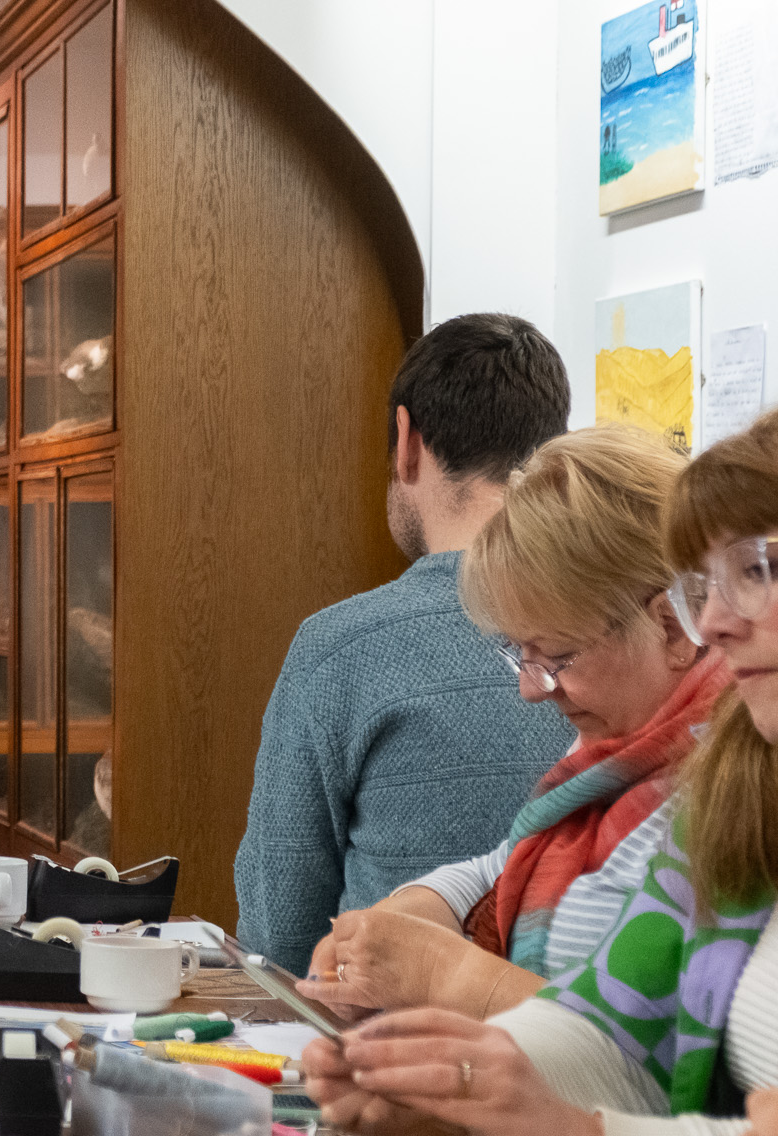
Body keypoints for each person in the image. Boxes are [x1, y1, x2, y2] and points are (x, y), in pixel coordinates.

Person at [303, 409, 778, 1136]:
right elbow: (615, 1040)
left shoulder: (712, 775)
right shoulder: (740, 782)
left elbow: (661, 1095)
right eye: (714, 584)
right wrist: (465, 1090)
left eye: (758, 570)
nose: (722, 621)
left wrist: (466, 1005)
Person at [300, 426, 724, 1019]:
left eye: (556, 657)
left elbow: (651, 1053)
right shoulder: (621, 758)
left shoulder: (730, 794)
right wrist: (394, 922)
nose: (530, 688)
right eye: (518, 652)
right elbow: (501, 864)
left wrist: (448, 973)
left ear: (671, 629)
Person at [234, 313, 574, 970]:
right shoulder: (633, 643)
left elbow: (279, 943)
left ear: (405, 440)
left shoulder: (338, 651)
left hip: (393, 1051)